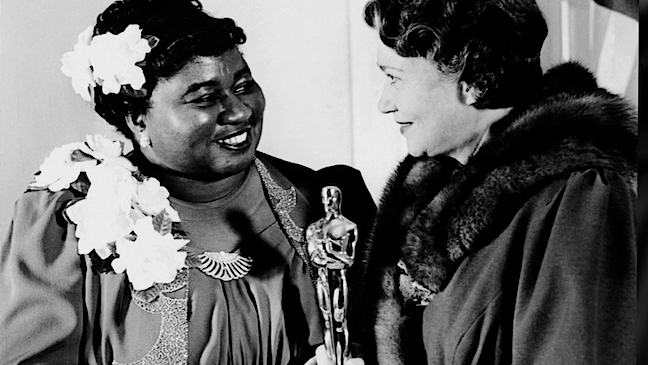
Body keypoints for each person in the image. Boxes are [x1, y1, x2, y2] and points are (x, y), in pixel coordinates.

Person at [0, 0, 376, 364]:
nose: (241, 111)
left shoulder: (322, 203)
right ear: (138, 120)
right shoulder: (71, 220)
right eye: (206, 98)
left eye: (243, 86)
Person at [328, 0, 636, 364]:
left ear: (474, 80)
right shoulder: (435, 190)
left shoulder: (580, 203)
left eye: (394, 77)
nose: (384, 102)